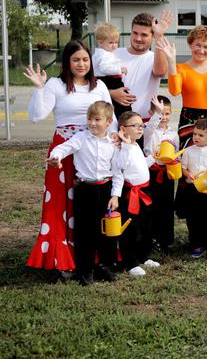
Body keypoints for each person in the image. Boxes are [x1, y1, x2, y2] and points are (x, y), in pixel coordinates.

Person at [25, 40, 114, 274]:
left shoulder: (100, 87)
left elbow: (110, 120)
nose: (81, 64)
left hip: (93, 150)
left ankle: (91, 257)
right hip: (63, 150)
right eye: (75, 59)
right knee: (59, 204)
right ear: (67, 62)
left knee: (90, 205)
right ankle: (59, 257)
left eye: (85, 59)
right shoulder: (56, 84)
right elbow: (36, 116)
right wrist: (39, 88)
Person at [47, 101, 118, 285]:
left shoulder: (114, 142)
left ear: (109, 122)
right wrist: (56, 157)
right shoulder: (81, 138)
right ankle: (85, 271)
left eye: (97, 119)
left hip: (106, 189)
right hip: (85, 190)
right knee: (85, 232)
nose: (92, 123)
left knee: (107, 231)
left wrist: (115, 195)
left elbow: (118, 172)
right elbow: (64, 147)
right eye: (89, 119)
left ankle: (105, 266)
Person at [112, 111, 156, 276]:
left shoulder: (135, 144)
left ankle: (143, 257)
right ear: (123, 129)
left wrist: (154, 159)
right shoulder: (121, 147)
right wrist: (124, 145)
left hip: (144, 191)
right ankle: (130, 262)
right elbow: (121, 166)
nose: (140, 128)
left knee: (146, 226)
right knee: (131, 229)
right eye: (135, 125)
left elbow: (140, 164)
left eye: (141, 125)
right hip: (130, 194)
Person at [111, 11, 172, 126]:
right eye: (135, 33)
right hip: (114, 122)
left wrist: (160, 37)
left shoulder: (156, 57)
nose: (138, 38)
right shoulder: (113, 54)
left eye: (144, 35)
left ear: (153, 37)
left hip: (143, 124)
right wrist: (112, 93)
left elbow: (160, 72)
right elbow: (94, 83)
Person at [179, 119, 207, 258]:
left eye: (201, 135)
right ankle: (197, 245)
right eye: (194, 134)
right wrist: (188, 174)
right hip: (194, 189)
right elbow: (183, 167)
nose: (196, 137)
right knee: (194, 218)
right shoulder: (188, 151)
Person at [143, 95, 179, 254]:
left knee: (167, 206)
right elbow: (151, 126)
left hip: (167, 174)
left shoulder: (173, 134)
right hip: (152, 172)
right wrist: (156, 115)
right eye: (160, 113)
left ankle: (166, 240)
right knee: (153, 207)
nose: (163, 117)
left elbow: (176, 152)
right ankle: (152, 239)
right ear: (152, 112)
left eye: (166, 113)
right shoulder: (148, 130)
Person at [92, 23, 128, 117]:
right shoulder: (104, 55)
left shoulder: (101, 53)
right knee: (123, 101)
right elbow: (105, 68)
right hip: (110, 80)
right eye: (111, 43)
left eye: (116, 42)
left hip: (105, 80)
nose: (114, 45)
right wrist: (119, 69)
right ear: (100, 42)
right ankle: (125, 117)